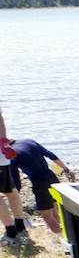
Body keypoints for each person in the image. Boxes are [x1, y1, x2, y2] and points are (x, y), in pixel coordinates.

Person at [9, 138, 76, 234]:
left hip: (39, 181)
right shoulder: (29, 141)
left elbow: (16, 179)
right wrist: (66, 169)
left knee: (47, 215)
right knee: (53, 208)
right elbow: (50, 155)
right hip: (52, 177)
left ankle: (61, 237)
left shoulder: (10, 153)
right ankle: (65, 234)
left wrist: (15, 197)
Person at [0, 104, 29, 247]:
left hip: (1, 157)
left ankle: (11, 231)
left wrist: (3, 142)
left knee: (8, 192)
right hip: (2, 157)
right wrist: (4, 141)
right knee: (10, 190)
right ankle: (19, 225)